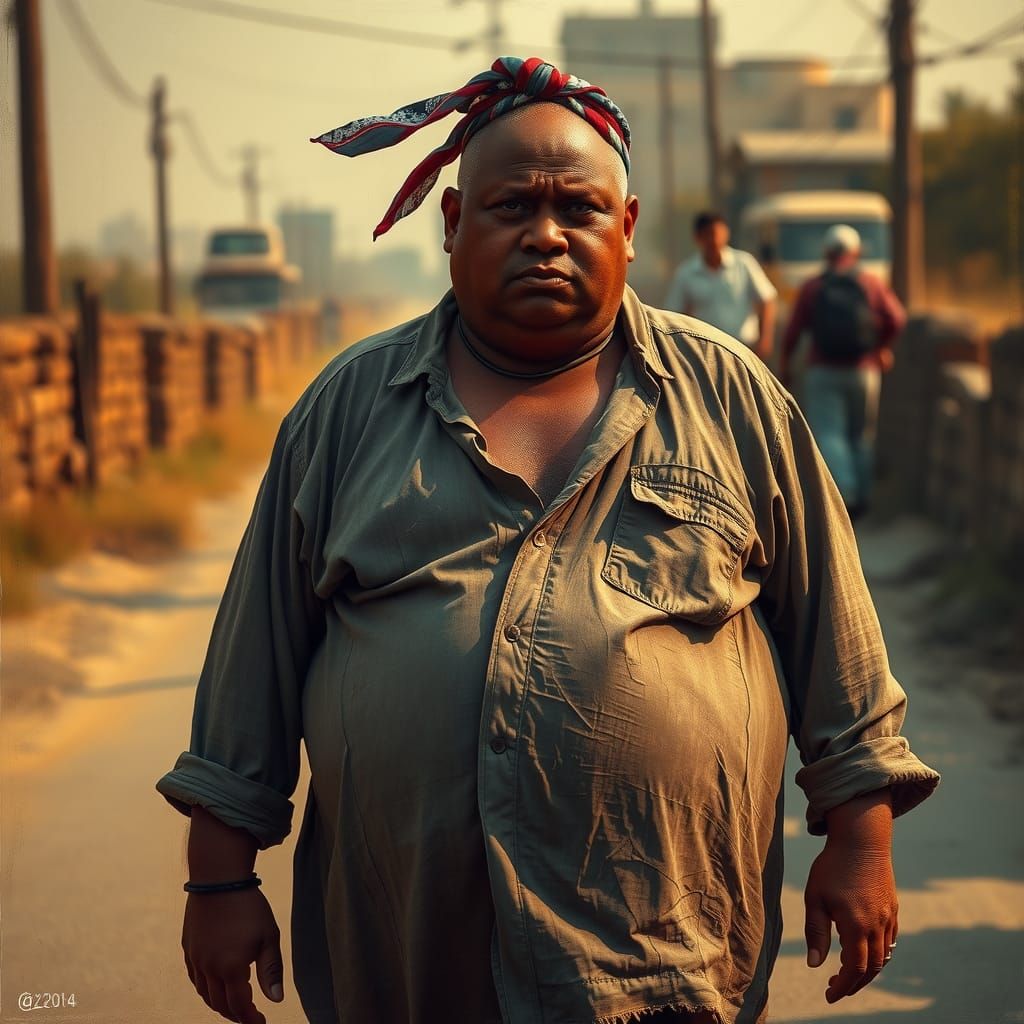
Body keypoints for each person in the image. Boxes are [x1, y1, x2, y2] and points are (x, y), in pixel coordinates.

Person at [155, 57, 938, 1024]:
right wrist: (220, 885)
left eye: (578, 209)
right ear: (451, 224)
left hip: (666, 960)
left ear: (630, 228)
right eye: (512, 207)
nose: (548, 236)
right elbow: (253, 668)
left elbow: (838, 645)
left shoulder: (731, 400)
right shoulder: (349, 412)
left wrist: (861, 844)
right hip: (408, 962)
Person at [779, 224, 906, 520]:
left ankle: (845, 493)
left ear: (827, 252)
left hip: (823, 370)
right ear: (856, 252)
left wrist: (786, 363)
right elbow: (897, 318)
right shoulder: (870, 283)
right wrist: (882, 347)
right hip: (865, 370)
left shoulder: (813, 287)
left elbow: (793, 331)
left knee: (830, 433)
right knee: (862, 434)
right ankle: (863, 496)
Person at [663, 211, 778, 362]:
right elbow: (674, 314)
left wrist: (765, 339)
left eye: (719, 233)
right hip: (706, 352)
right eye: (709, 234)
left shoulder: (744, 263)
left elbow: (767, 299)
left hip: (744, 348)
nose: (715, 240)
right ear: (698, 238)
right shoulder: (687, 273)